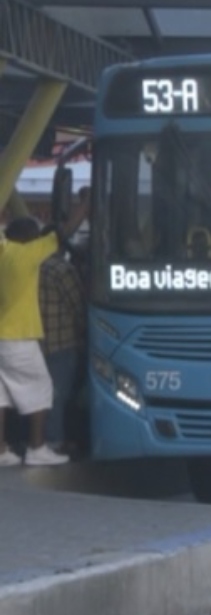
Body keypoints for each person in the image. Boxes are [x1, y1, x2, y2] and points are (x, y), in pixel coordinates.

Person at [0, 186, 89, 466]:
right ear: (29, 240)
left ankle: (2, 450)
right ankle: (38, 448)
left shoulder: (3, 252)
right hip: (19, 337)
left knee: (1, 396)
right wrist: (86, 204)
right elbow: (65, 231)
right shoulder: (26, 255)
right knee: (42, 388)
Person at [38, 244, 88, 455]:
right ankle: (54, 441)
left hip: (34, 340)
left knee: (40, 395)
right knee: (59, 395)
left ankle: (37, 441)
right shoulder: (61, 269)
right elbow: (78, 304)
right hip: (62, 341)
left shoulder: (30, 267)